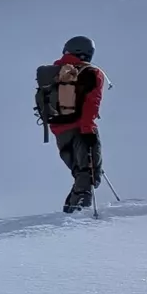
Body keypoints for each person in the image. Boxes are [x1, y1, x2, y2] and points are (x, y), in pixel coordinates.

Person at [47, 36, 105, 212]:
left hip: (59, 131)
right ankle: (79, 213)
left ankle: (70, 208)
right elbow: (91, 103)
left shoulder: (53, 72)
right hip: (81, 128)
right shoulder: (91, 72)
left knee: (80, 172)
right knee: (90, 173)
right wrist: (87, 131)